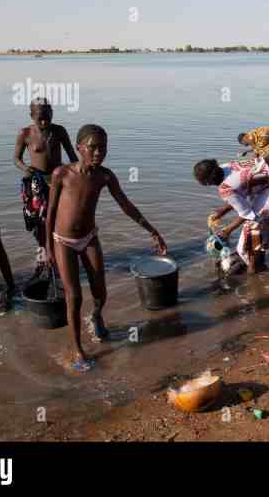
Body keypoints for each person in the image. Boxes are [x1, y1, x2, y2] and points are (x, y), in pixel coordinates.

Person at [46, 124, 167, 372]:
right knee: (74, 296)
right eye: (93, 147)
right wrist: (47, 248)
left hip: (89, 237)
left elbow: (126, 205)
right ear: (80, 148)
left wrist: (152, 230)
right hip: (62, 241)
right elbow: (49, 216)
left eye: (103, 147)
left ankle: (97, 315)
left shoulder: (105, 176)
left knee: (100, 289)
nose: (99, 152)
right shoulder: (62, 174)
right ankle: (78, 349)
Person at [195, 157, 269, 274]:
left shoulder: (225, 189)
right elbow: (240, 191)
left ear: (208, 183)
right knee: (260, 218)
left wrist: (227, 231)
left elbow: (247, 213)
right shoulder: (225, 167)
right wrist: (222, 211)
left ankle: (257, 266)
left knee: (254, 223)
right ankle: (256, 258)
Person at [14, 98, 77, 274]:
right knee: (39, 224)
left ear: (52, 115)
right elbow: (16, 158)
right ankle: (42, 259)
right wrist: (26, 168)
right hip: (36, 183)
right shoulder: (25, 133)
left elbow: (72, 156)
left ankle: (60, 256)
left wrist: (78, 176)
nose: (44, 122)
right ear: (32, 116)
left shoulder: (59, 131)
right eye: (40, 118)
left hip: (58, 181)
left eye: (48, 117)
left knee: (59, 220)